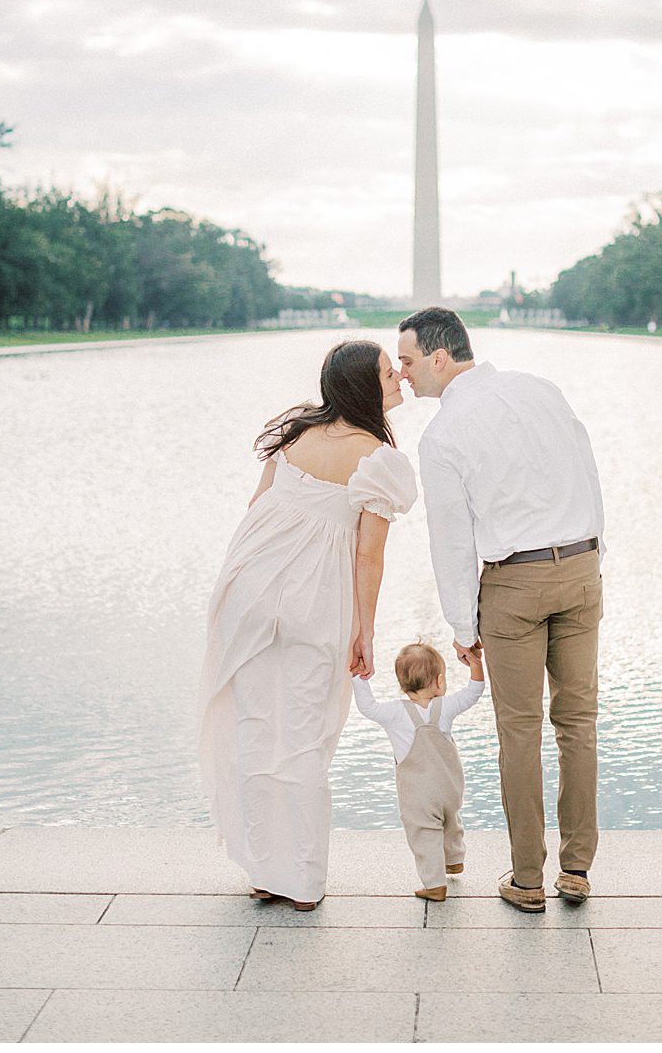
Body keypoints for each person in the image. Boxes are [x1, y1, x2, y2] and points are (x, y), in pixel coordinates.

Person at [398, 306, 606, 915]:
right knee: (579, 722)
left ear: (440, 357)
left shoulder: (442, 435)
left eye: (408, 361)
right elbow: (588, 475)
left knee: (520, 731)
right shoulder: (542, 390)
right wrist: (593, 559)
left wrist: (463, 628)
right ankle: (577, 869)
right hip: (581, 567)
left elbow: (451, 540)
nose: (404, 375)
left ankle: (526, 879)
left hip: (514, 585)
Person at [198, 339, 416, 911]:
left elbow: (257, 508)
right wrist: (365, 629)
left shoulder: (295, 434)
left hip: (251, 589)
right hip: (315, 602)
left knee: (256, 728)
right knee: (304, 738)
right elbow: (369, 555)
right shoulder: (380, 459)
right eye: (388, 373)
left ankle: (264, 871)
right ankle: (300, 880)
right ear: (363, 387)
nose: (399, 378)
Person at [351, 639, 484, 901]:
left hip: (418, 795)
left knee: (425, 832)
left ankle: (434, 884)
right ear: (440, 681)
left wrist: (359, 678)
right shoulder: (445, 707)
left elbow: (367, 708)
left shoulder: (394, 713)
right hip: (450, 788)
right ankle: (454, 859)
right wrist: (476, 666)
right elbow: (473, 692)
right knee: (450, 820)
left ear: (402, 684)